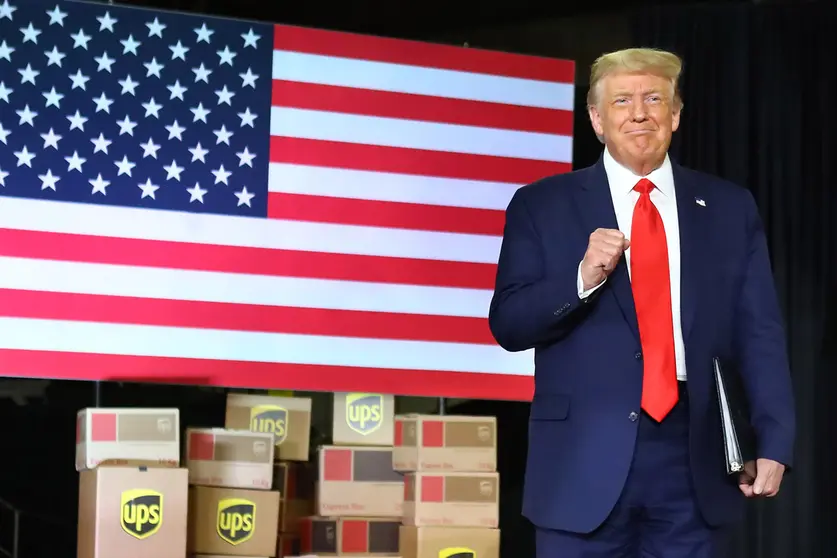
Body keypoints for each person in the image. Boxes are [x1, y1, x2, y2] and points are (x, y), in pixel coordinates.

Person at [488, 48, 796, 558]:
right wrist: (582, 278)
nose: (639, 112)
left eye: (654, 99)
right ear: (596, 119)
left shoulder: (727, 206)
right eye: (622, 101)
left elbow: (759, 331)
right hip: (579, 462)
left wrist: (774, 440)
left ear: (674, 115)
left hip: (694, 459)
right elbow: (509, 325)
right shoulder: (541, 204)